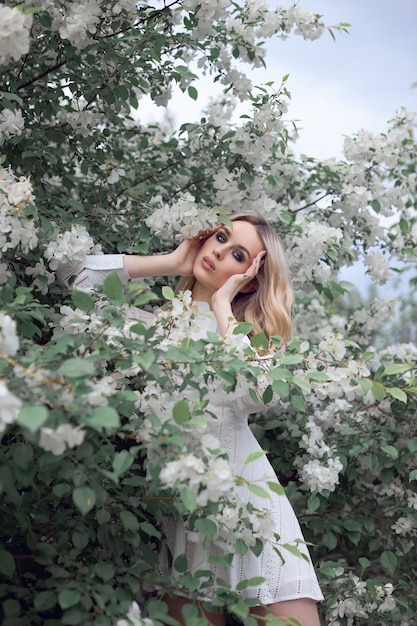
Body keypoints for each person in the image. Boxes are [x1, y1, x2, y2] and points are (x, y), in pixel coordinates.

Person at [57, 213, 323, 626]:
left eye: (237, 253)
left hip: (255, 513)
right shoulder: (150, 331)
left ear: (249, 279)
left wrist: (221, 308)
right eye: (219, 237)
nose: (218, 250)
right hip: (184, 519)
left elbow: (260, 394)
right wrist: (171, 262)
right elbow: (74, 277)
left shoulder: (246, 337)